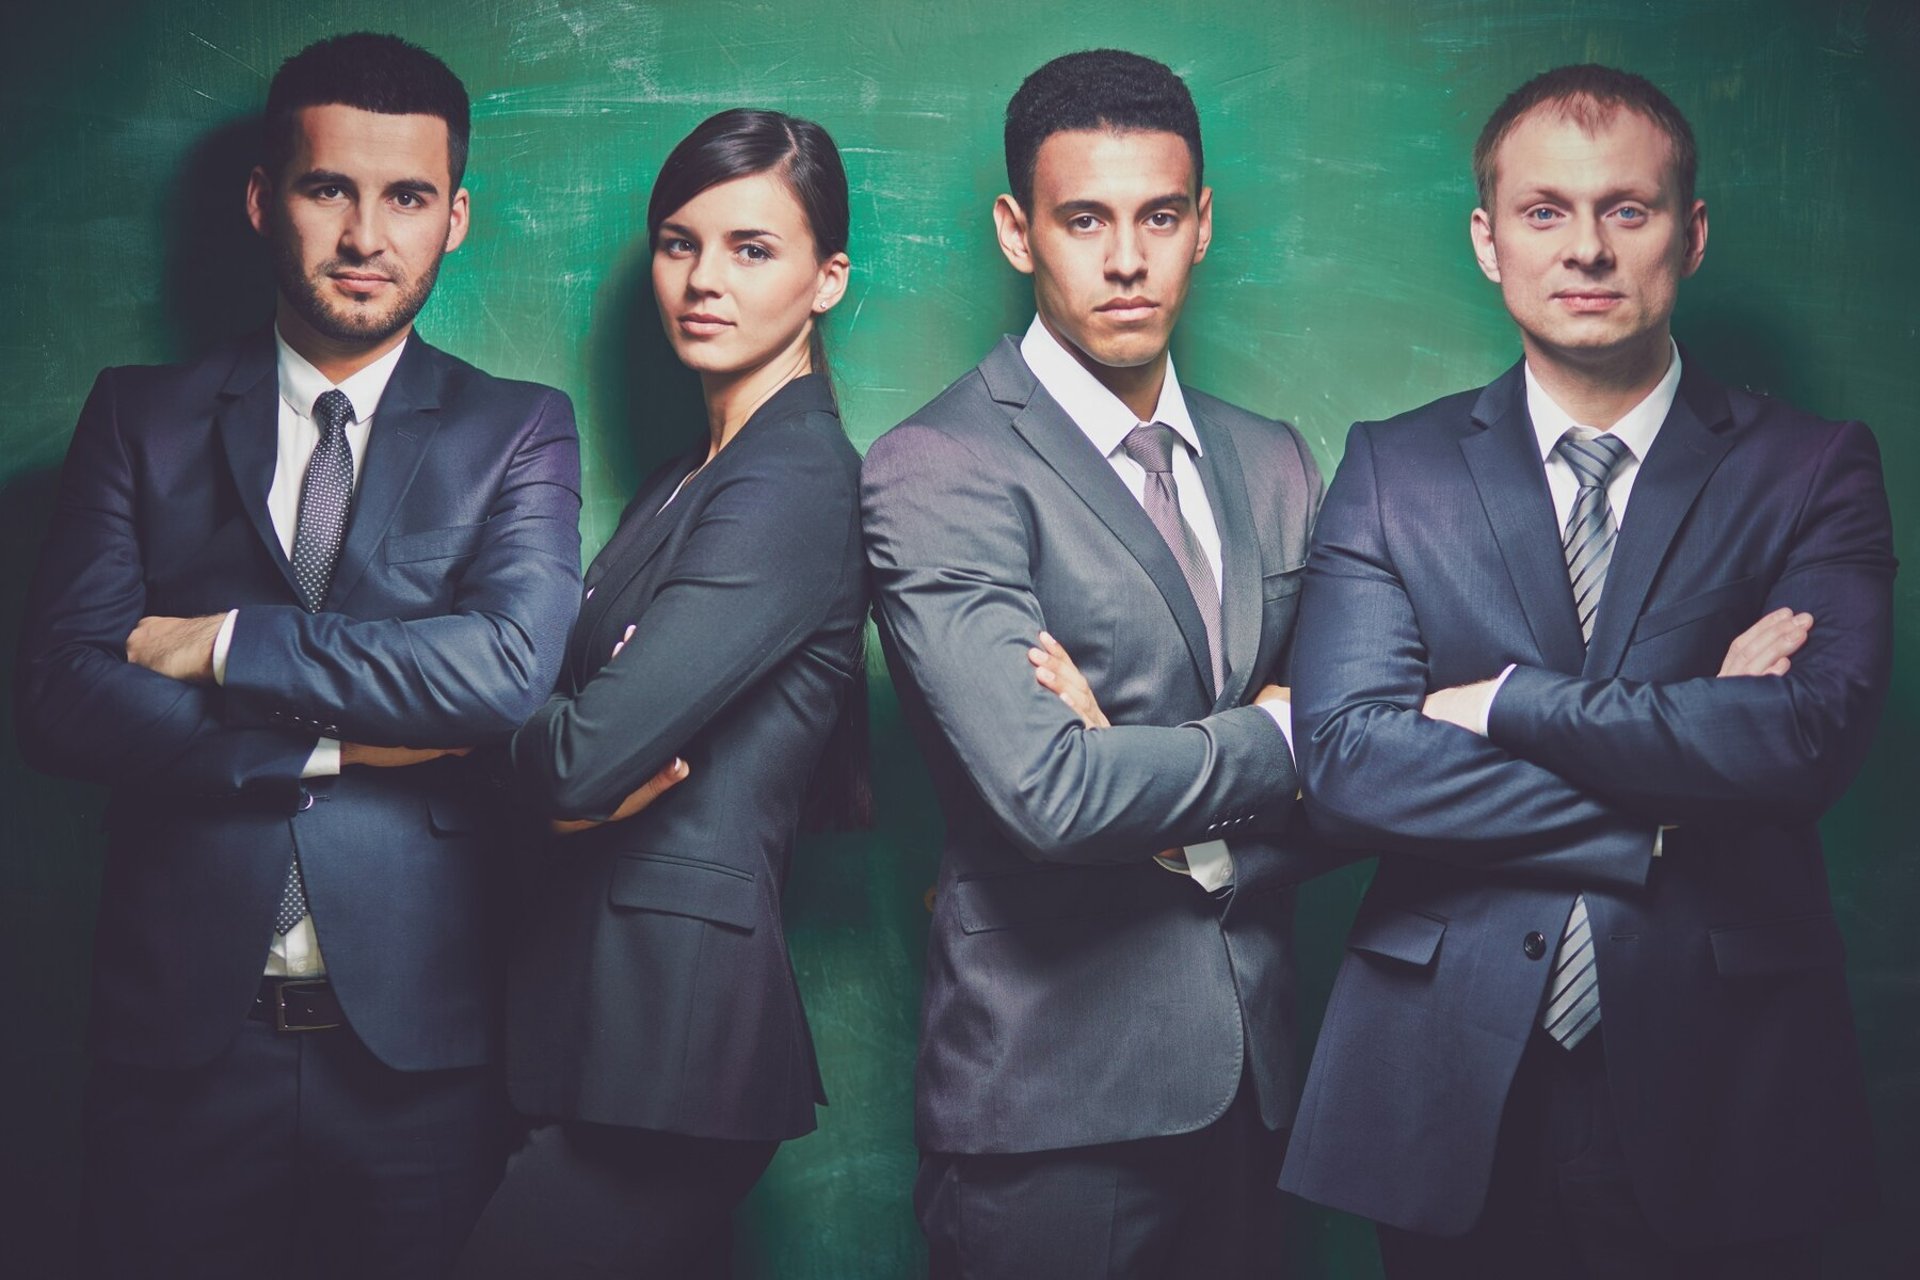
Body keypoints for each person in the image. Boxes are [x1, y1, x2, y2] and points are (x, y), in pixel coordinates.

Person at [1280, 64, 1894, 1277]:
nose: (1589, 250)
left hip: (1728, 1078)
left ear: (1692, 234)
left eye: (1629, 208)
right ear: (1488, 239)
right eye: (1545, 211)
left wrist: (1505, 704)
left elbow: (1805, 743)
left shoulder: (1812, 468)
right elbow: (1348, 766)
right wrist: (1675, 786)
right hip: (1442, 1077)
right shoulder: (1392, 470)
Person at [12, 32, 584, 1279]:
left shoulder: (518, 430)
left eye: (408, 197)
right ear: (267, 198)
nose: (367, 235)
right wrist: (336, 740)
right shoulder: (136, 416)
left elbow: (499, 671)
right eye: (332, 188)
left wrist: (219, 643)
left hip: (423, 1052)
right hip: (174, 1052)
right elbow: (59, 692)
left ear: (457, 217)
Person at [862, 49, 1321, 1278]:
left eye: (1160, 217)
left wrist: (1146, 775)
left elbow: (1375, 760)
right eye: (1085, 220)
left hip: (1260, 1086)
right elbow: (1047, 792)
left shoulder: (1276, 461)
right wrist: (1276, 736)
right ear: (1018, 231)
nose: (1127, 259)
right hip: (1052, 1108)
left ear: (1202, 222)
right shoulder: (940, 466)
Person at [452, 108, 869, 1277]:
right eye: (680, 243)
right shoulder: (691, 477)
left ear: (826, 279)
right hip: (601, 1015)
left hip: (672, 1041)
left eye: (752, 249)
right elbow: (576, 728)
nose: (702, 279)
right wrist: (551, 749)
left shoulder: (791, 482)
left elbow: (585, 753)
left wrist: (471, 749)